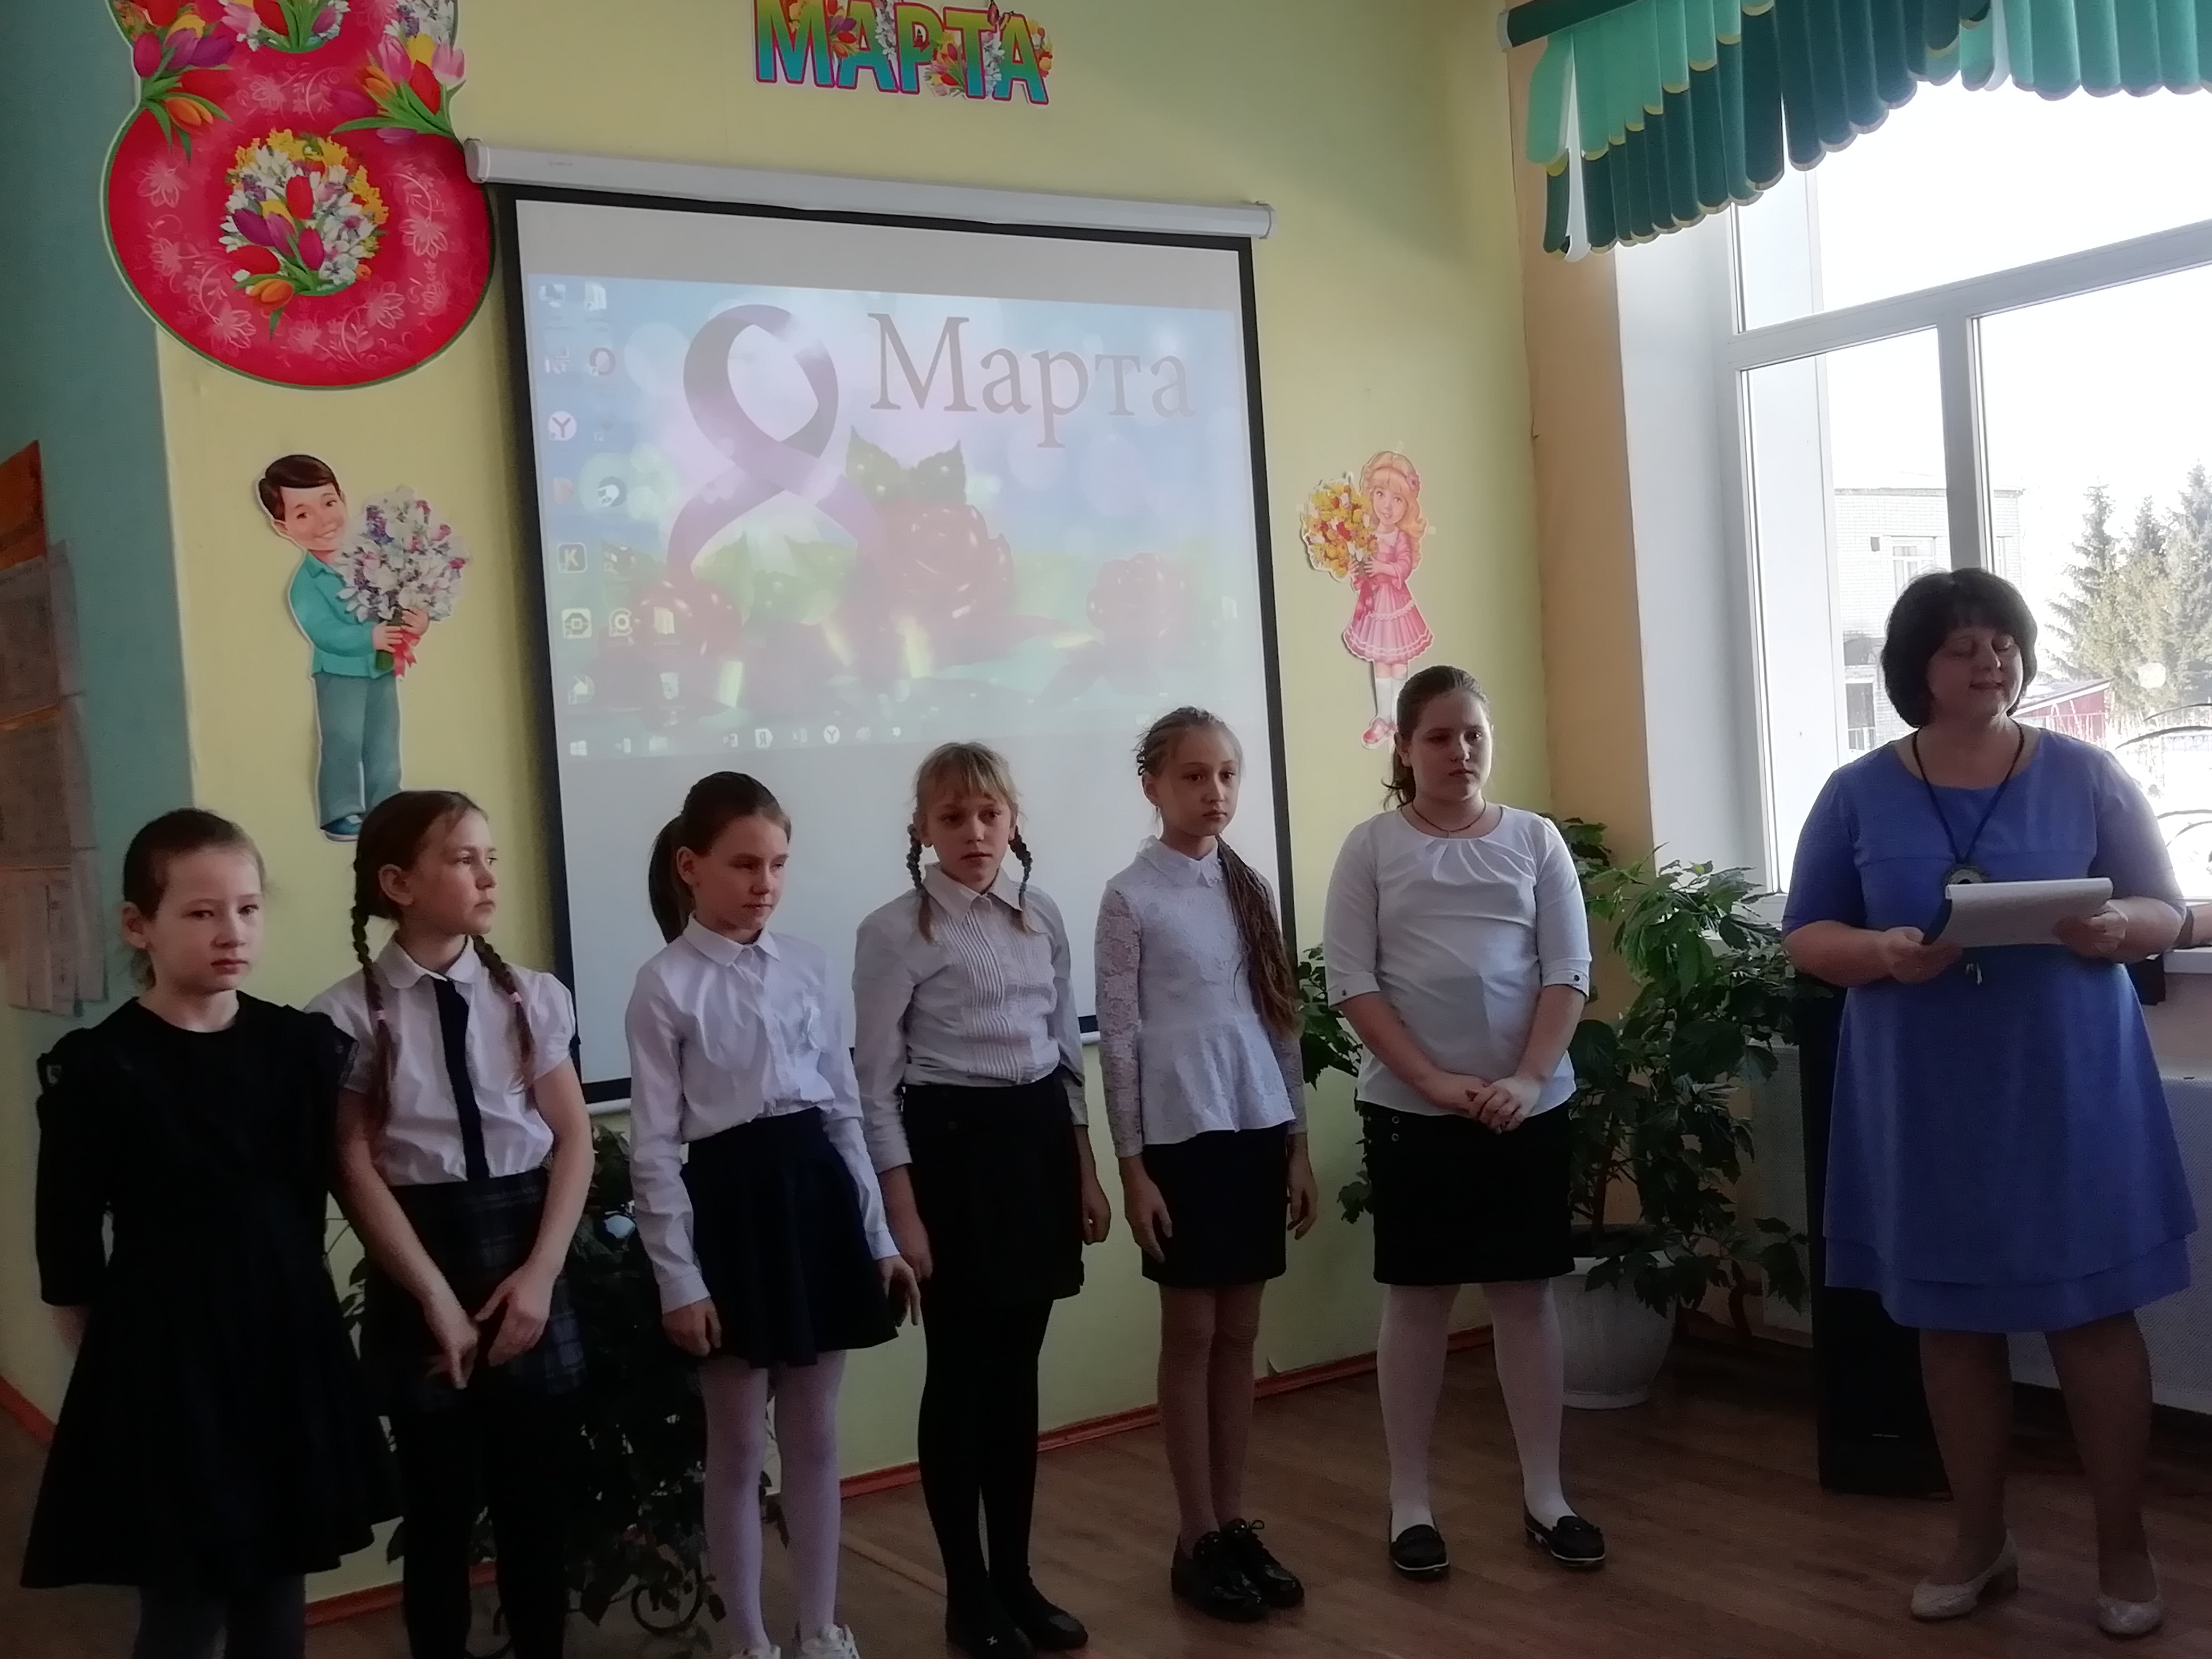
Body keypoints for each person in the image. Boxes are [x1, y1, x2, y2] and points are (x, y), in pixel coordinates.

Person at [1781, 569, 2192, 1638]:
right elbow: (1808, 935)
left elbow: (2167, 907)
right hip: (1924, 1093)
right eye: (1963, 645)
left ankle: (2123, 1548)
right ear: (1916, 668)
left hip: (2068, 1084)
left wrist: (2122, 928)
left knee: (2093, 1316)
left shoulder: (2087, 774)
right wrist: (1879, 951)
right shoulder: (1856, 791)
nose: (1990, 660)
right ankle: (1979, 1540)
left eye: (2003, 641)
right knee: (1950, 1323)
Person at [23, 809, 397, 1658]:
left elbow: (320, 1195)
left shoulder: (299, 1049)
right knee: (185, 1611)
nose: (232, 932)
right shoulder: (100, 1069)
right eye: (201, 912)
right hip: (167, 1377)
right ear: (138, 925)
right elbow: (68, 1257)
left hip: (283, 1358)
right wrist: (128, 1393)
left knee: (277, 1598)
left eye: (248, 909)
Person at [1322, 664, 1603, 1582]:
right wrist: (1434, 1081)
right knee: (1419, 1300)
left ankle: (1547, 1495)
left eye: (1474, 733)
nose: (1460, 751)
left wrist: (1527, 1078)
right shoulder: (1371, 847)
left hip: (1528, 1107)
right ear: (1405, 749)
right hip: (1414, 1111)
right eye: (1439, 736)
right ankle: (1411, 1501)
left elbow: (1567, 970)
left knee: (1524, 1298)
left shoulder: (1535, 840)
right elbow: (1351, 983)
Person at [628, 772, 917, 1659]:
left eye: (779, 864)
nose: (765, 883)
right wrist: (680, 1280)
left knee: (816, 1435)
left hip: (816, 1200)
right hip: (731, 1210)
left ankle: (820, 1627)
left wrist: (877, 1237)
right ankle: (750, 1641)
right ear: (691, 867)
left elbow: (842, 1113)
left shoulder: (809, 966)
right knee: (736, 1442)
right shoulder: (665, 985)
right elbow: (654, 1147)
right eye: (745, 864)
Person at [313, 791, 593, 1659]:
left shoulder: (532, 997)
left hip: (524, 1242)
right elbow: (351, 1162)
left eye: (490, 857)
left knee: (534, 1508)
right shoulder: (344, 1015)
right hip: (421, 1254)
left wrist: (541, 1277)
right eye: (463, 859)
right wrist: (432, 1296)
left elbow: (574, 1138)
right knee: (437, 1510)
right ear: (398, 883)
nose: (487, 875)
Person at [854, 742, 1113, 1659]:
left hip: (1034, 1147)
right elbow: (873, 1089)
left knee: (1017, 1375)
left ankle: (1016, 1581)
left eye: (989, 814)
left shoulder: (1042, 915)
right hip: (950, 1157)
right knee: (961, 1376)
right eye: (953, 816)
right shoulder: (895, 932)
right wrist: (904, 1212)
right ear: (922, 828)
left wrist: (1084, 1169)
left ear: (1012, 822)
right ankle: (968, 1597)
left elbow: (1064, 1056)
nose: (973, 832)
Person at [1096, 708, 1319, 1622]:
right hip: (1179, 1135)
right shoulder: (1130, 897)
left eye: (1226, 774)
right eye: (1192, 776)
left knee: (1239, 1332)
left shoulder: (1248, 886)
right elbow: (1119, 1039)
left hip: (1254, 1124)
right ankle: (1194, 1536)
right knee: (1191, 1333)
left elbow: (1280, 1019)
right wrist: (1133, 1168)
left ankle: (1232, 1522)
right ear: (1152, 785)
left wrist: (1298, 1143)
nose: (1214, 792)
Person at [258, 454, 422, 842]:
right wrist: (370, 638)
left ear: (343, 499)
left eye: (329, 502)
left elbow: (395, 602)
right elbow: (324, 632)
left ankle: (387, 802)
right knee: (343, 740)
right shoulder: (306, 583)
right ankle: (340, 810)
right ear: (282, 527)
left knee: (384, 738)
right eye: (303, 514)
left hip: (382, 668)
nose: (323, 521)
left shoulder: (372, 561)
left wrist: (415, 621)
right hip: (338, 674)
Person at [1342, 451, 1434, 750]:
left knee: (1399, 661)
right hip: (1374, 606)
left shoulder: (1399, 538)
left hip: (1395, 606)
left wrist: (1383, 567)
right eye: (1381, 495)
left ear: (1408, 505)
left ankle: (1398, 716)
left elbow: (1404, 566)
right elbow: (1363, 573)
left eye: (1397, 499)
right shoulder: (1367, 536)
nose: (1387, 506)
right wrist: (1357, 570)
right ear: (1370, 496)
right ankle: (1383, 717)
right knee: (1381, 662)